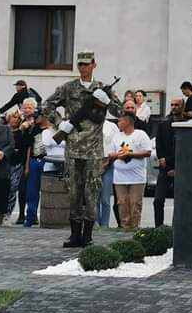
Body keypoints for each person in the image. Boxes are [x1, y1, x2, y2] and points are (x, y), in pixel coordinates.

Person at [40, 50, 122, 247]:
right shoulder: (68, 88)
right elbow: (47, 105)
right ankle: (74, 234)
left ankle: (88, 235)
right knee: (75, 192)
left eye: (86, 64)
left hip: (94, 149)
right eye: (80, 65)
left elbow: (120, 112)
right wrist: (60, 123)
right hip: (73, 147)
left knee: (91, 191)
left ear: (94, 65)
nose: (83, 68)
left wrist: (107, 100)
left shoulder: (102, 88)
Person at [110, 105, 151, 230]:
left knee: (135, 204)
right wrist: (119, 155)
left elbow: (147, 152)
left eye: (120, 120)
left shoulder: (140, 134)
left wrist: (130, 154)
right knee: (122, 203)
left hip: (136, 178)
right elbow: (111, 155)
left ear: (128, 121)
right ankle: (124, 227)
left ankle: (134, 228)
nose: (118, 123)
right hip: (120, 177)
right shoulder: (117, 136)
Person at [154, 97, 184, 227]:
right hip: (165, 167)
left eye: (177, 104)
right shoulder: (163, 125)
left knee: (180, 202)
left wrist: (172, 162)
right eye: (172, 104)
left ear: (182, 106)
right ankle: (158, 228)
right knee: (158, 200)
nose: (174, 107)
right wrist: (162, 159)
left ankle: (177, 227)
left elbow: (185, 149)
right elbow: (159, 144)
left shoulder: (188, 125)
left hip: (182, 167)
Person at [98, 98, 128, 228]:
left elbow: (120, 143)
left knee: (105, 199)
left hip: (108, 164)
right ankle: (95, 225)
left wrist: (120, 154)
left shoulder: (111, 126)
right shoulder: (89, 125)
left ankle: (104, 226)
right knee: (93, 199)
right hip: (93, 164)